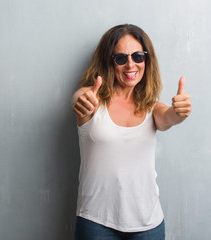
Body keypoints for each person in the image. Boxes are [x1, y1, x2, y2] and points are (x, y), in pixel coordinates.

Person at [71, 24, 191, 240]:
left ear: (147, 59)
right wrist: (82, 102)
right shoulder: (92, 99)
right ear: (109, 61)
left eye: (138, 56)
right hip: (96, 222)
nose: (131, 65)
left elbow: (168, 118)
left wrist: (178, 113)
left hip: (148, 226)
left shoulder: (152, 107)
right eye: (121, 58)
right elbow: (80, 101)